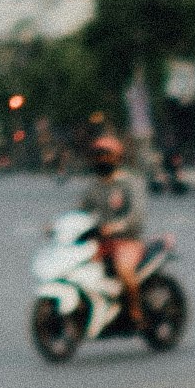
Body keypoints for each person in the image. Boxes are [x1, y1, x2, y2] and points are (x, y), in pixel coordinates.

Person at [80, 134, 145, 312]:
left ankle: (135, 310)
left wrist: (116, 227)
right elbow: (80, 212)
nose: (101, 160)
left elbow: (136, 216)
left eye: (106, 155)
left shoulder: (130, 183)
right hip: (100, 241)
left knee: (123, 269)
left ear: (117, 158)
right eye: (98, 156)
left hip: (127, 241)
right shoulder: (94, 186)